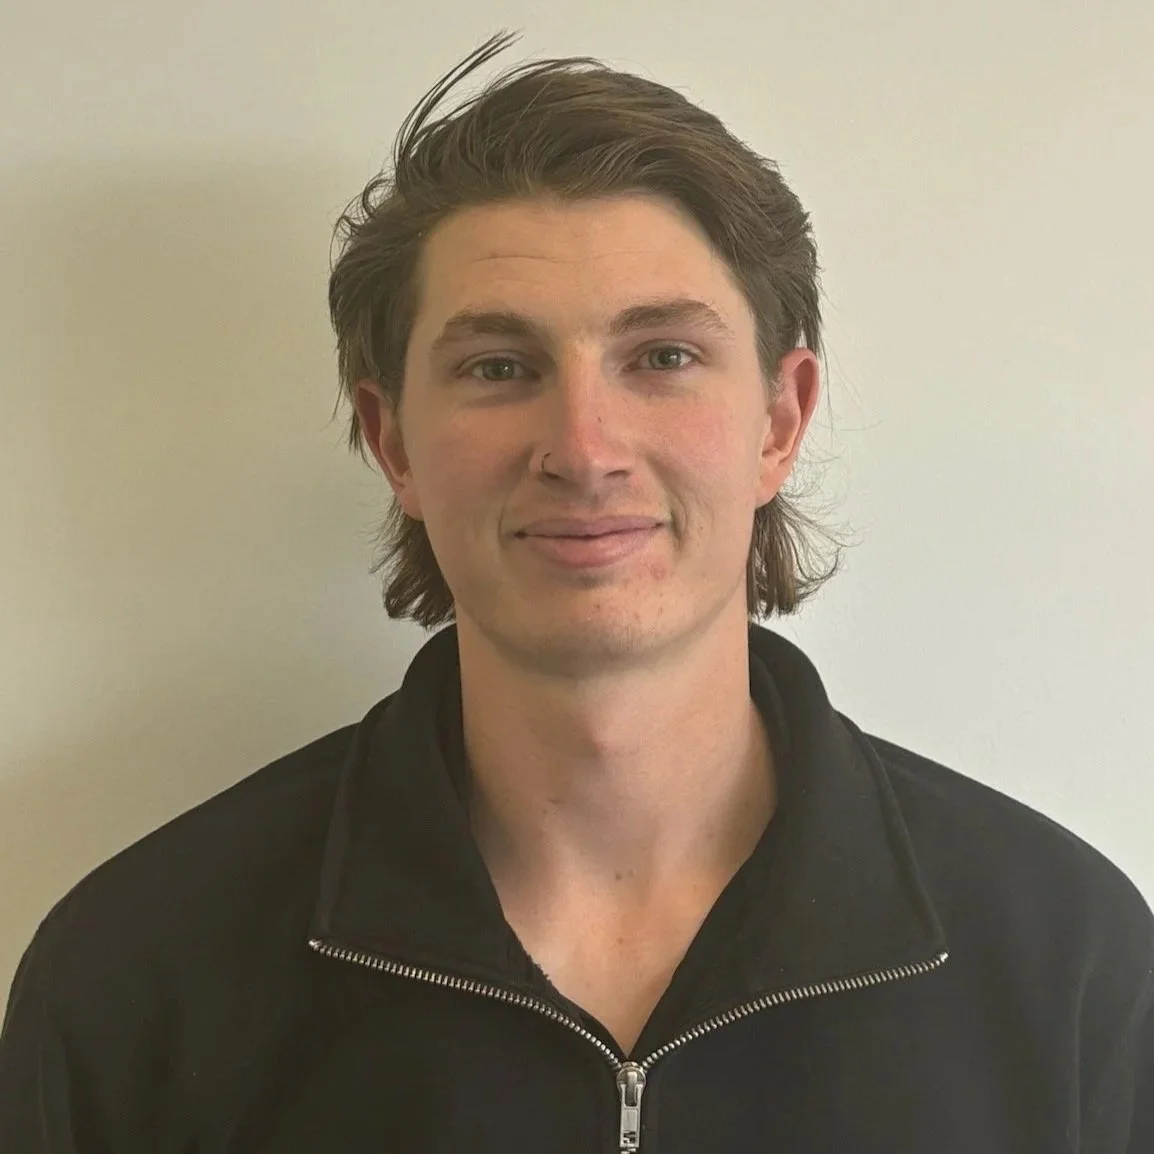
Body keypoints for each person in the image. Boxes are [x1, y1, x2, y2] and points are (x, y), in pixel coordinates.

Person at [2, 30, 1151, 1153]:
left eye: (661, 357)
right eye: (499, 367)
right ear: (392, 441)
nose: (584, 448)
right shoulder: (135, 978)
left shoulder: (1066, 963)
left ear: (778, 418)